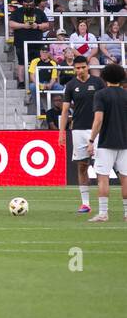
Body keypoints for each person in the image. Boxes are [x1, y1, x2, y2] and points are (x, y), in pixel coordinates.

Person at [59, 56, 103, 215]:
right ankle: (85, 203)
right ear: (74, 69)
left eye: (83, 67)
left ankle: (103, 204)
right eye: (77, 68)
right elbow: (65, 111)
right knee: (82, 165)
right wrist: (61, 132)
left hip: (97, 130)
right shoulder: (70, 85)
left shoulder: (98, 83)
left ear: (87, 67)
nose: (80, 70)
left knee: (101, 167)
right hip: (78, 129)